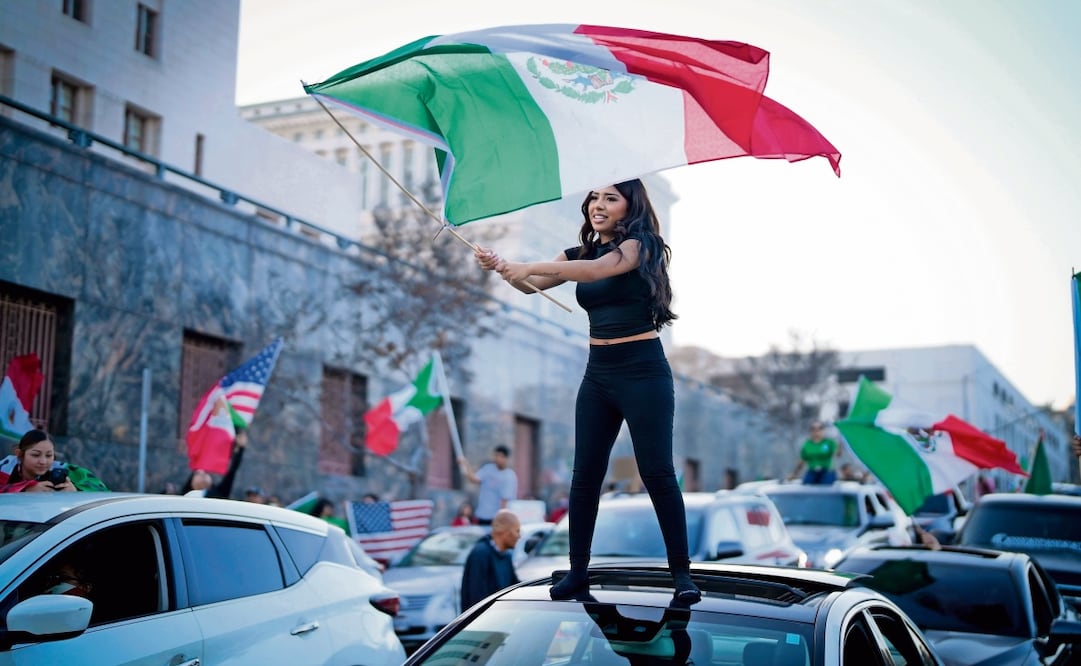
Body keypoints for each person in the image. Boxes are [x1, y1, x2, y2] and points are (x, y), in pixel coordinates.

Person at [474, 180, 700, 603]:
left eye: (610, 198)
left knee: (657, 473)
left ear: (628, 208)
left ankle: (682, 575)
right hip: (598, 374)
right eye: (595, 197)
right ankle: (579, 571)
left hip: (644, 371)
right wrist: (502, 265)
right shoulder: (577, 253)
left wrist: (527, 265)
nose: (598, 204)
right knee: (585, 476)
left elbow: (598, 271)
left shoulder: (641, 245)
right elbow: (529, 284)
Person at [460, 509, 521, 610]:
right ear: (505, 531)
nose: (519, 536)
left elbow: (515, 588)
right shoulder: (481, 553)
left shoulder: (506, 555)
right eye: (517, 531)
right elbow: (476, 600)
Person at [0, 429, 77, 493]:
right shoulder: (5, 468)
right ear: (20, 454)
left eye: (49, 455)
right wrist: (25, 489)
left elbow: (88, 485)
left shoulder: (60, 471)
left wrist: (74, 492)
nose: (43, 461)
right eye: (36, 455)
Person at [458, 445, 518, 526]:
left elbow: (504, 501)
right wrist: (465, 464)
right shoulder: (488, 469)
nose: (497, 458)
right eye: (496, 455)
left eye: (500, 456)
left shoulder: (509, 476)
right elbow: (473, 479)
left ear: (505, 458)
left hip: (495, 518)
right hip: (481, 515)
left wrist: (501, 520)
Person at [182, 428, 247, 498]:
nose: (202, 476)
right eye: (198, 473)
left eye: (205, 473)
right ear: (192, 481)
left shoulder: (220, 493)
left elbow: (232, 471)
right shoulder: (185, 496)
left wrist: (240, 449)